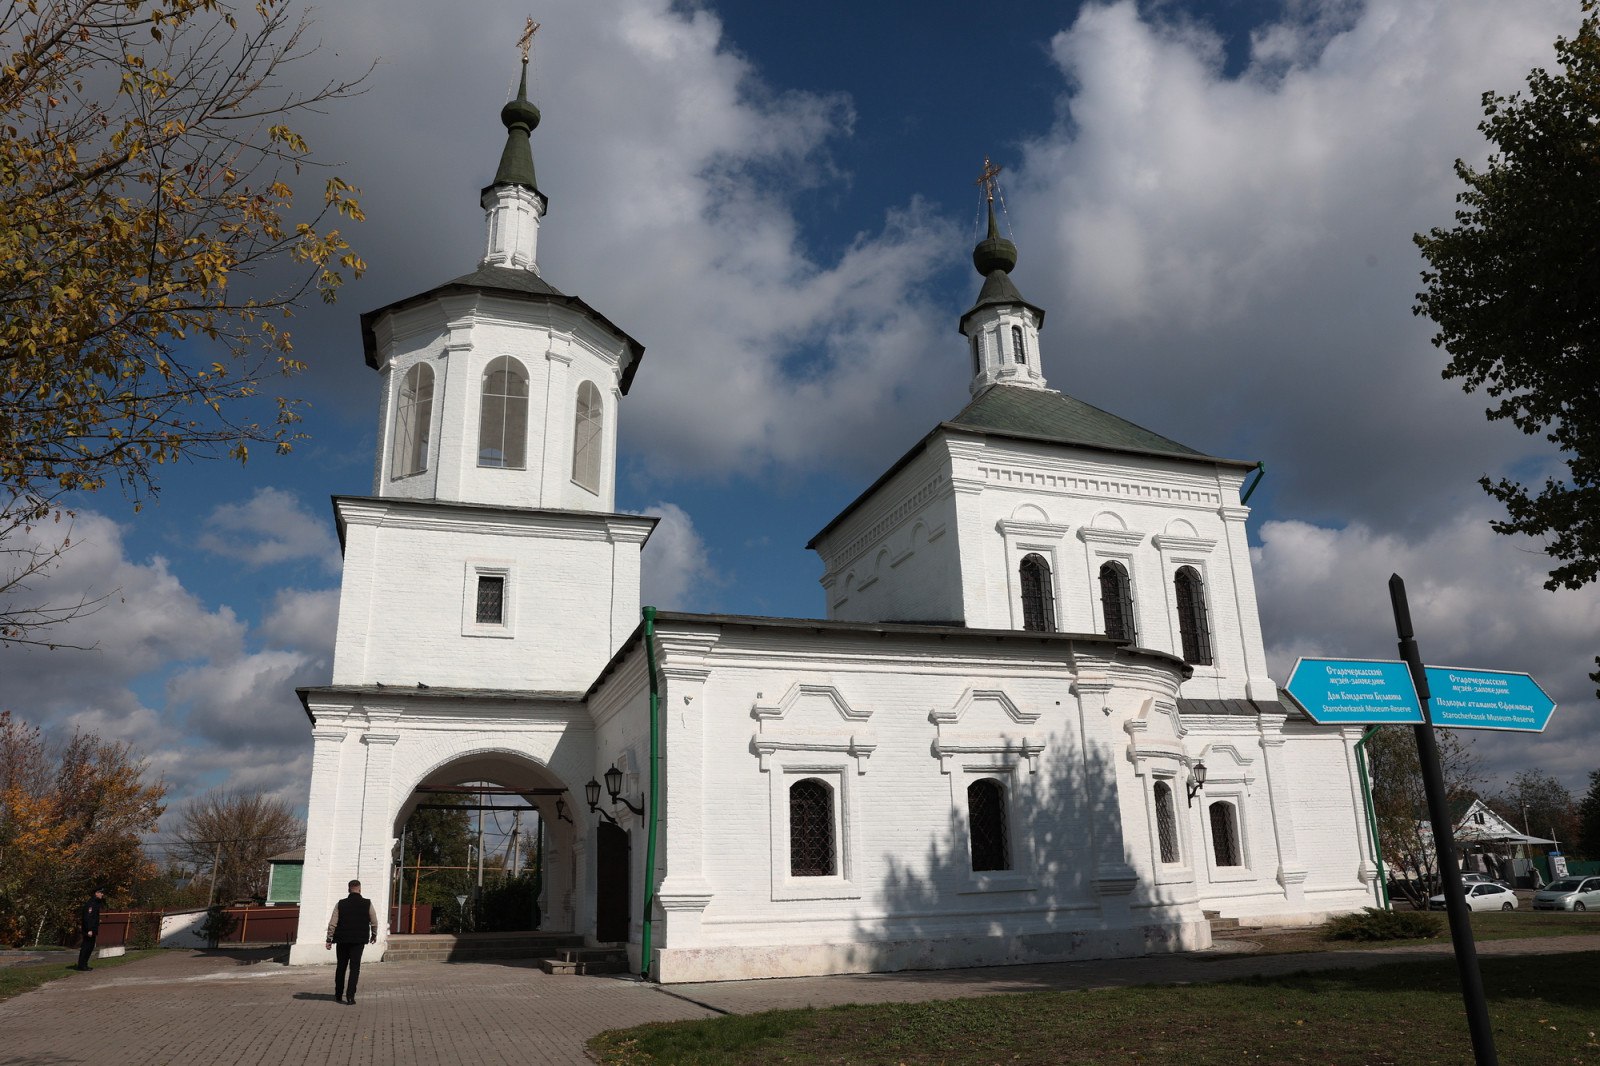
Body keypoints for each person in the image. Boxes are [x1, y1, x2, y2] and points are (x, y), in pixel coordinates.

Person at [324, 879, 378, 1004]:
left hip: (342, 940)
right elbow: (374, 921)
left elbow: (333, 923)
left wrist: (329, 939)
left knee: (341, 967)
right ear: (360, 889)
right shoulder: (367, 903)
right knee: (355, 968)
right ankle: (350, 996)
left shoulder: (340, 904)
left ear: (348, 889)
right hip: (358, 941)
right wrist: (374, 934)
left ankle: (338, 994)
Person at [74, 887, 106, 971]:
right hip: (89, 930)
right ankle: (81, 965)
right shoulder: (91, 903)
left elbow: (93, 916)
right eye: (101, 893)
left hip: (93, 928)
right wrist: (89, 929)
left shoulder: (96, 903)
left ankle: (84, 964)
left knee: (90, 947)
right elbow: (87, 917)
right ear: (96, 893)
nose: (102, 894)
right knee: (86, 947)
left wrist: (97, 921)